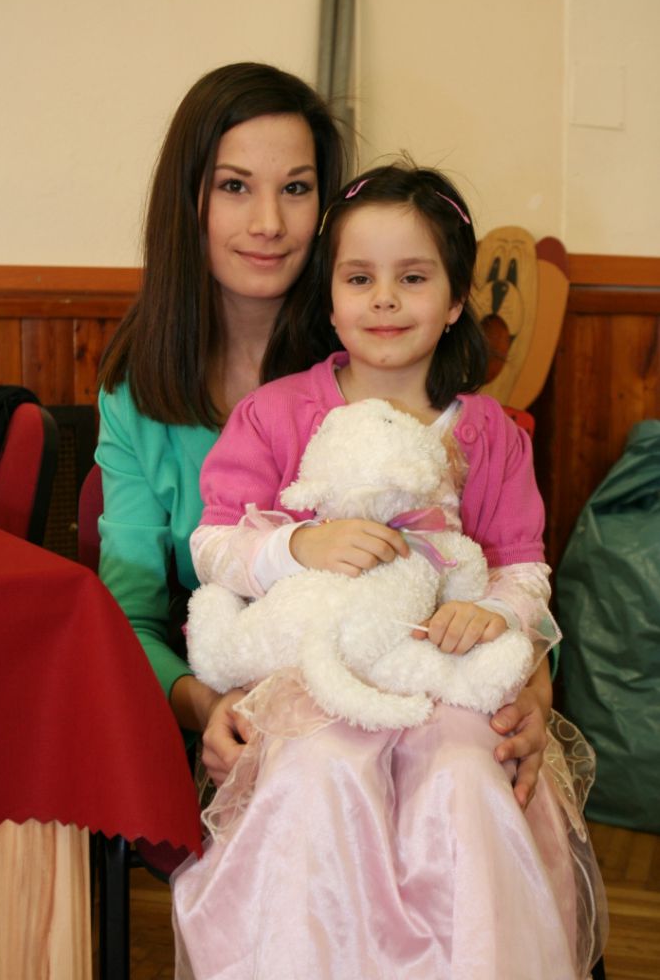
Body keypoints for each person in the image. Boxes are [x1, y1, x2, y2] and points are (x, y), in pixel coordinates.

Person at [172, 164, 607, 979]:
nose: (383, 300)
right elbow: (212, 545)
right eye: (358, 278)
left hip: (440, 676)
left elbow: (522, 567)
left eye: (411, 278)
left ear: (454, 300)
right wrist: (296, 547)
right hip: (317, 679)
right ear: (329, 299)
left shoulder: (489, 435)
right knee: (319, 774)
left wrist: (495, 615)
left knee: (465, 777)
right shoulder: (273, 415)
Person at [95, 61, 549, 805]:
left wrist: (530, 692)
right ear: (189, 201)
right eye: (233, 185)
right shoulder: (137, 395)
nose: (268, 223)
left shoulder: (387, 355)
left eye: (296, 188)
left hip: (427, 710)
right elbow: (129, 619)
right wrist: (209, 707)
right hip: (246, 723)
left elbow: (498, 559)